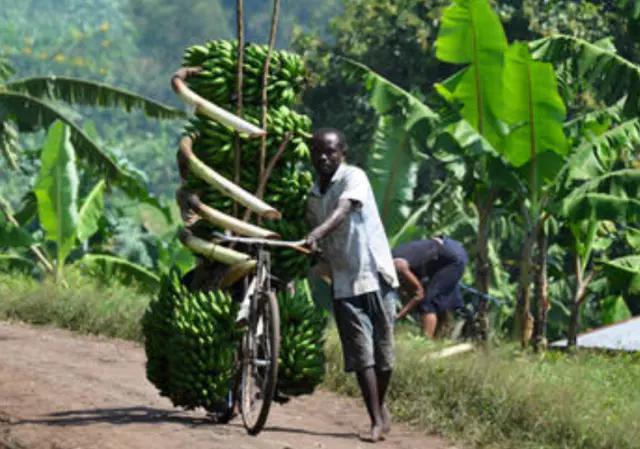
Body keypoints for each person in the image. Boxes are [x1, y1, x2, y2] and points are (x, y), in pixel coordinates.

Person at [305, 128, 399, 443]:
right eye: (317, 151)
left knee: (384, 354)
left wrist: (317, 233)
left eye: (330, 151)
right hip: (343, 282)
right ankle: (375, 419)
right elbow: (317, 232)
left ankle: (380, 407)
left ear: (342, 151)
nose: (324, 157)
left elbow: (343, 211)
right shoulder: (312, 194)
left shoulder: (353, 177)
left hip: (375, 274)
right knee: (362, 355)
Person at [392, 237, 468, 338]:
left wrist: (398, 316)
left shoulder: (397, 265)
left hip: (451, 257)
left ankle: (425, 341)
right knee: (437, 299)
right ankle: (441, 333)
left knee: (428, 302)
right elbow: (407, 290)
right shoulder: (391, 257)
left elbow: (419, 293)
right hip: (445, 248)